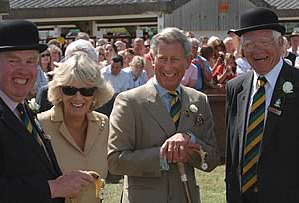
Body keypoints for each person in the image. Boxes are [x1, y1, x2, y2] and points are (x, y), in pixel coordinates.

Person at [107, 27, 219, 203]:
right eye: (162, 59)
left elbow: (212, 159)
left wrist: (191, 142)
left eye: (175, 59)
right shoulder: (129, 102)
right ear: (151, 59)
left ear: (189, 61)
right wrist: (163, 155)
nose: (168, 67)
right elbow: (115, 161)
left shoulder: (199, 100)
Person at [0, 19, 95, 203]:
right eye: (14, 60)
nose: (24, 70)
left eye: (31, 61)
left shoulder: (22, 107)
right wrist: (54, 188)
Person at [225, 7, 299, 203]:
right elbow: (233, 151)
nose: (257, 51)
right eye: (249, 44)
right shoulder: (235, 87)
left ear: (281, 45)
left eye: (264, 42)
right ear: (241, 49)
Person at [38, 51, 114, 203]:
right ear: (60, 91)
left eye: (86, 91)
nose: (78, 97)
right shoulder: (40, 125)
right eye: (70, 90)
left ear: (96, 94)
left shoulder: (103, 124)